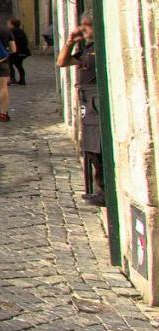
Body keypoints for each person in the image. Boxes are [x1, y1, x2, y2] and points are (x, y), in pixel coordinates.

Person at [57, 13, 105, 206]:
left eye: (86, 26)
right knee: (90, 147)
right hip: (87, 101)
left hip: (96, 100)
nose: (83, 30)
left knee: (97, 146)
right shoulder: (87, 49)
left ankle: (104, 191)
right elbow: (62, 62)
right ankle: (100, 189)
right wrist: (70, 42)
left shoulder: (101, 46)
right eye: (82, 26)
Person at [8, 18, 31, 85]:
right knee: (19, 65)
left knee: (9, 65)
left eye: (9, 24)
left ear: (12, 24)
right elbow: (26, 41)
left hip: (14, 51)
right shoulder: (21, 31)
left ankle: (12, 79)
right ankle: (22, 79)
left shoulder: (11, 31)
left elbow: (10, 41)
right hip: (22, 51)